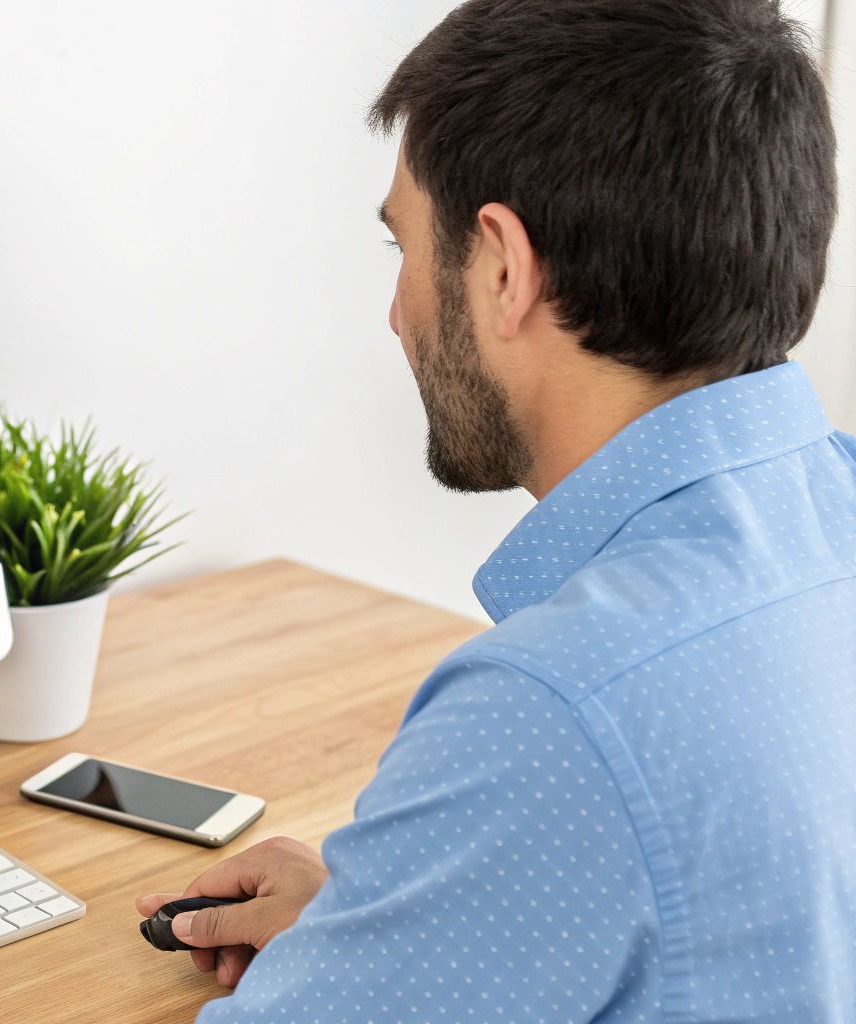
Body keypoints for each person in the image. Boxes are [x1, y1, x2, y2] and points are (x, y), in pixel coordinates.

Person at [139, 1, 855, 1019]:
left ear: (503, 267)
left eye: (403, 248)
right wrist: (393, 920)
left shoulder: (555, 708)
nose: (396, 316)